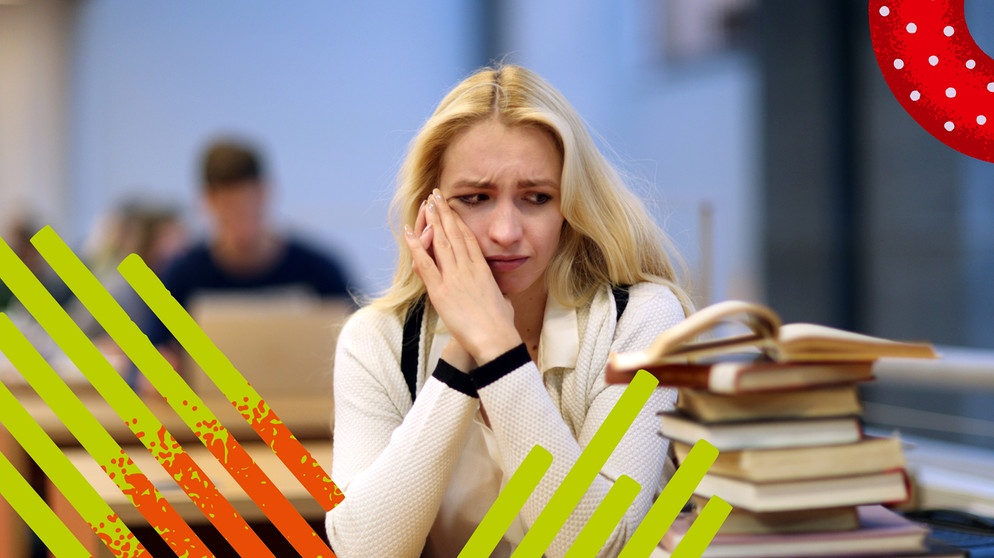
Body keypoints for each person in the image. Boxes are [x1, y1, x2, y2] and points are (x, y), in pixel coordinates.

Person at [326, 64, 693, 557]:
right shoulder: (377, 340)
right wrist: (463, 352)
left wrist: (499, 350)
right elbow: (366, 551)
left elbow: (598, 546)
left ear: (571, 207)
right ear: (429, 209)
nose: (505, 231)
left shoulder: (643, 320)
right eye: (475, 198)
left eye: (536, 198)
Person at [144, 138, 354, 375]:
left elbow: (364, 340)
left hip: (305, 407)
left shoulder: (319, 269)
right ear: (208, 201)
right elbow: (144, 356)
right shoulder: (182, 274)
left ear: (265, 193)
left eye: (247, 206)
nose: (240, 221)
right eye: (228, 208)